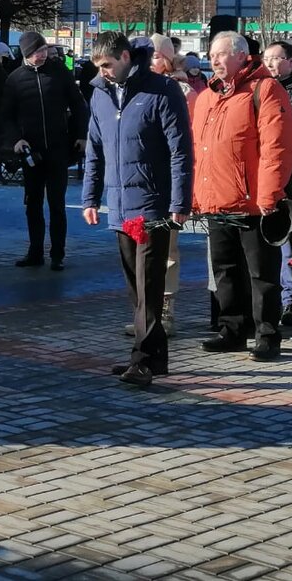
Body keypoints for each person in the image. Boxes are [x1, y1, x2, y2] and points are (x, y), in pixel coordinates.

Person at [83, 32, 192, 387]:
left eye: (108, 65)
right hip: (119, 206)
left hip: (152, 205)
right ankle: (155, 356)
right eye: (98, 67)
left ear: (127, 57)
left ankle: (142, 360)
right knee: (136, 286)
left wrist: (179, 202)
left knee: (149, 284)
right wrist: (89, 198)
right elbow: (94, 151)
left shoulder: (161, 90)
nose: (104, 72)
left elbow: (180, 151)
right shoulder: (100, 94)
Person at [194, 31, 292, 361]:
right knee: (225, 270)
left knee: (261, 274)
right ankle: (232, 330)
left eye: (222, 54)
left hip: (253, 203)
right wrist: (197, 195)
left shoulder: (264, 90)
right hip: (218, 199)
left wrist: (269, 196)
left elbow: (276, 149)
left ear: (241, 56)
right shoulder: (208, 96)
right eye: (212, 55)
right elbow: (200, 150)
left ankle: (267, 333)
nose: (215, 60)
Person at [2, 30, 88, 271]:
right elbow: (6, 116)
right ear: (26, 55)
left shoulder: (59, 72)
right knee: (33, 204)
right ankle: (35, 251)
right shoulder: (15, 79)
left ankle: (58, 254)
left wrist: (81, 135)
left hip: (58, 149)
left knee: (57, 204)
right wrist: (16, 140)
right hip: (31, 152)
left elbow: (78, 104)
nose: (42, 55)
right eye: (36, 52)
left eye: (43, 50)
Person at [148, 33, 198, 333]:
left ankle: (165, 311)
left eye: (155, 56)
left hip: (169, 179)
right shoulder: (133, 88)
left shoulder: (181, 91)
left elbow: (190, 140)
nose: (150, 61)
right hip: (141, 181)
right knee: (140, 246)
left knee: (167, 249)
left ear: (167, 60)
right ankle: (145, 310)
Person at [262, 41, 292, 326]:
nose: (270, 64)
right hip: (268, 176)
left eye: (276, 58)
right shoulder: (263, 89)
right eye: (266, 59)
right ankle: (278, 297)